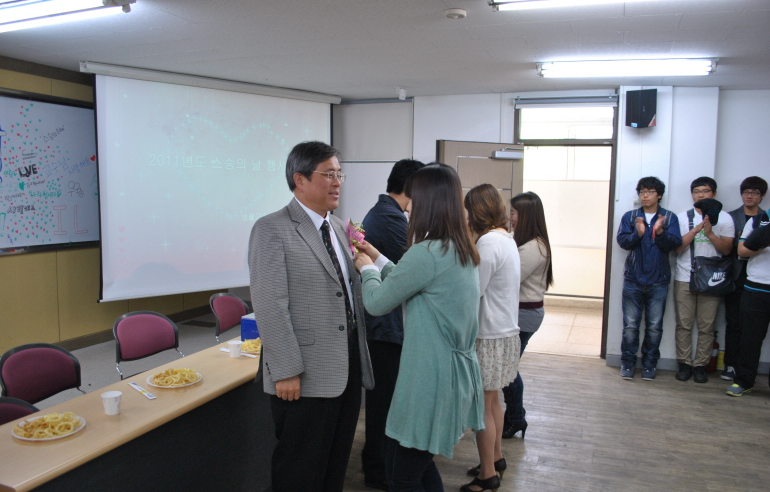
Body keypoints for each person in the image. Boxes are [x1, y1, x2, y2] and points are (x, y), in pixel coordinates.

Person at [248, 141, 374, 492]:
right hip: (303, 374)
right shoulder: (271, 229)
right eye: (328, 174)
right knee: (300, 469)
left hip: (346, 367)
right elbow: (270, 304)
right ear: (299, 179)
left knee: (335, 464)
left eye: (339, 174)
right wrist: (285, 369)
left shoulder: (337, 228)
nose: (337, 182)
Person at [354, 163, 484, 492]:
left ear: (426, 201)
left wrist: (367, 269)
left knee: (403, 476)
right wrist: (377, 257)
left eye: (413, 197)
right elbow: (410, 280)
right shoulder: (457, 247)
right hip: (451, 376)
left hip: (431, 378)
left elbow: (377, 303)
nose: (408, 205)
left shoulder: (426, 252)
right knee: (419, 467)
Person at [360, 158, 424, 491]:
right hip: (385, 326)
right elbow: (409, 272)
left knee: (384, 401)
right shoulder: (390, 218)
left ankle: (379, 466)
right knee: (383, 403)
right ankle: (377, 470)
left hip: (387, 323)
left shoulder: (387, 213)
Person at [461, 184, 521, 492]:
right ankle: (496, 458)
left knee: (481, 407)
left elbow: (475, 290)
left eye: (468, 210)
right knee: (493, 399)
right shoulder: (506, 239)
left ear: (477, 211)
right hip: (505, 332)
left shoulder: (487, 243)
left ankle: (487, 475)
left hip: (488, 336)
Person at [616, 176, 682, 380]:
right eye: (642, 192)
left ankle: (649, 364)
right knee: (630, 325)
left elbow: (674, 245)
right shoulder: (631, 217)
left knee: (654, 327)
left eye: (650, 192)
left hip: (658, 281)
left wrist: (660, 232)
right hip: (633, 280)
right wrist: (637, 233)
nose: (645, 195)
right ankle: (627, 363)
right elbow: (623, 242)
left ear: (659, 195)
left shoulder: (669, 218)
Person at [501, 191, 554, 439]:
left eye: (513, 213)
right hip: (521, 312)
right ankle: (515, 416)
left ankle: (515, 418)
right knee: (507, 367)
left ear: (526, 216)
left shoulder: (534, 247)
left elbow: (509, 278)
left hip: (525, 314)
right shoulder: (525, 241)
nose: (509, 218)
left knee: (507, 369)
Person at [672, 177, 734, 384]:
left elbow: (727, 250)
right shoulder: (683, 217)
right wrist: (695, 231)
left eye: (705, 191)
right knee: (684, 325)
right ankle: (684, 364)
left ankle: (700, 366)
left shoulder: (724, 218)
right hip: (684, 276)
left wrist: (710, 233)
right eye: (696, 191)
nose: (700, 195)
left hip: (712, 280)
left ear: (714, 194)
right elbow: (677, 248)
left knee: (707, 326)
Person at [722, 176, 767, 380]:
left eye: (754, 193)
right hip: (737, 275)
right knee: (734, 322)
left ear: (762, 196)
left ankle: (744, 369)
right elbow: (729, 247)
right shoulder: (731, 217)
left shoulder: (764, 218)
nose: (749, 196)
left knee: (753, 329)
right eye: (746, 192)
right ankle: (731, 364)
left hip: (758, 279)